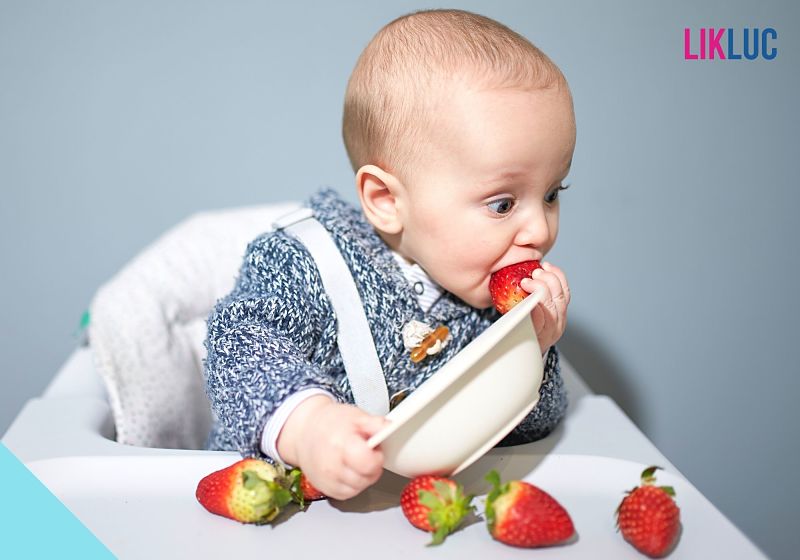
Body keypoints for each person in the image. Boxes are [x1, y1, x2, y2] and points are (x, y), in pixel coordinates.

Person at [204, 9, 576, 500]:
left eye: (551, 193)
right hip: (273, 507)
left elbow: (523, 436)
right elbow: (236, 342)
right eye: (503, 203)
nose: (538, 228)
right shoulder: (305, 262)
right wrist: (308, 424)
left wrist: (535, 351)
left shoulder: (486, 298)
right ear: (386, 201)